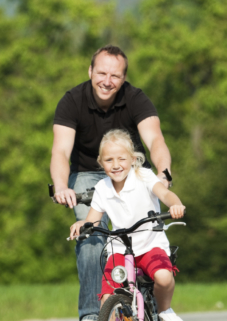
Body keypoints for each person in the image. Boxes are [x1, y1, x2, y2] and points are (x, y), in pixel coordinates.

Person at [50, 45, 173, 321]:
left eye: (115, 76)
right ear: (90, 71)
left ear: (124, 78)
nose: (107, 81)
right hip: (87, 173)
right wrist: (61, 185)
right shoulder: (72, 101)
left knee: (147, 231)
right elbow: (60, 151)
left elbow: (155, 140)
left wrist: (164, 173)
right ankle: (93, 315)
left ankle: (155, 302)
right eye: (102, 72)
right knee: (91, 237)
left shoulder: (136, 99)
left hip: (131, 170)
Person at [69, 129, 185, 321]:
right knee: (108, 297)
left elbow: (164, 194)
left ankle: (165, 310)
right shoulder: (102, 188)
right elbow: (93, 219)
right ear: (100, 163)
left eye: (121, 159)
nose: (116, 165)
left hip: (150, 244)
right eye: (109, 160)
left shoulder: (144, 176)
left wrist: (175, 204)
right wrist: (83, 224)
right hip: (120, 249)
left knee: (164, 277)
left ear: (132, 159)